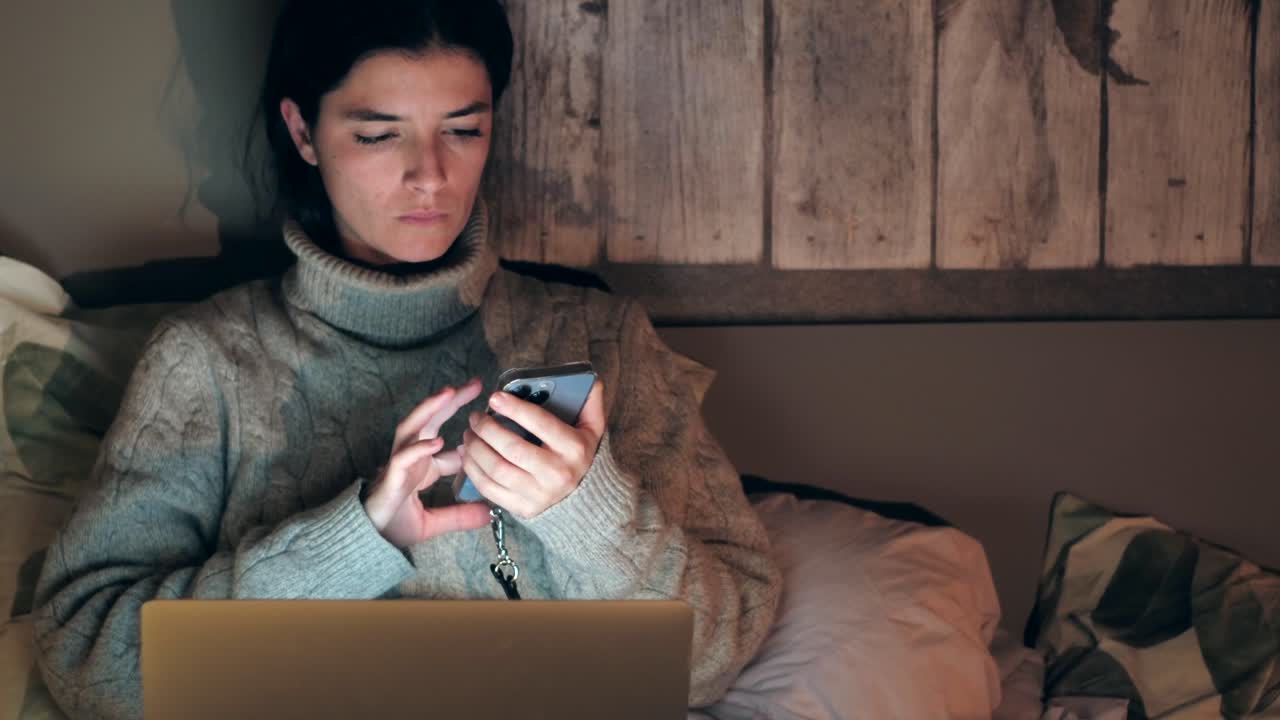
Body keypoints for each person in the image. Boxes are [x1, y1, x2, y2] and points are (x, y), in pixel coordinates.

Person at [32, 1, 781, 717]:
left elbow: (719, 655)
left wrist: (585, 511)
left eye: (463, 129)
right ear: (302, 130)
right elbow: (86, 666)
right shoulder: (206, 362)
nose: (430, 176)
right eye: (378, 135)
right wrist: (356, 542)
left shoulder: (602, 339)